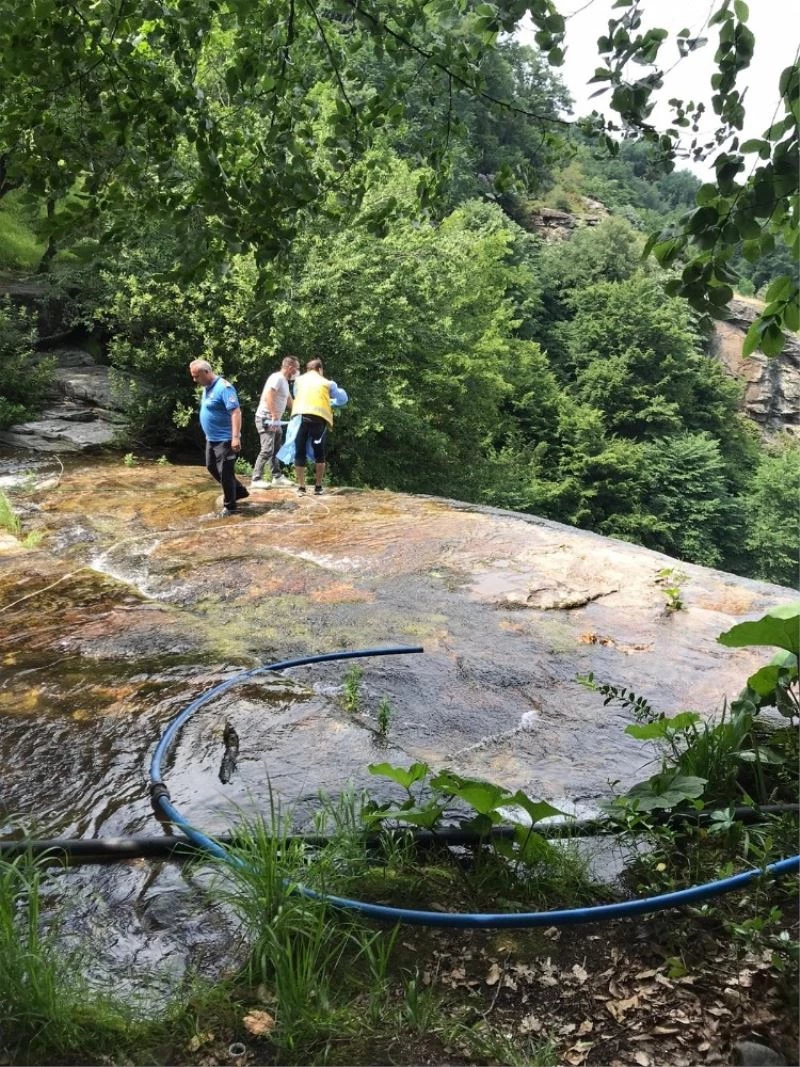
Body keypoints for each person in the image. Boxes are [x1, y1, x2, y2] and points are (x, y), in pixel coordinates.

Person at [189, 359, 249, 517]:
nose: (195, 380)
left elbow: (236, 412)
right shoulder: (206, 387)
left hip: (226, 439)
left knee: (225, 472)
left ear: (206, 372)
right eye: (193, 377)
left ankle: (230, 507)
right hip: (212, 438)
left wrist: (235, 437)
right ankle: (240, 491)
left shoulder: (224, 387)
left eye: (197, 376)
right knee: (211, 467)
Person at [291, 358, 341, 495]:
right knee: (320, 453)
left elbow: (296, 395)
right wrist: (332, 401)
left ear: (307, 370)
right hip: (318, 420)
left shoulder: (298, 380)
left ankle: (301, 487)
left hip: (300, 418)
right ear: (320, 369)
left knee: (299, 452)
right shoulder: (327, 382)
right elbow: (343, 399)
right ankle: (318, 487)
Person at [251, 355, 299, 489]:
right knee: (267, 449)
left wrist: (300, 411)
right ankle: (256, 479)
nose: (297, 372)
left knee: (277, 449)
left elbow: (289, 401)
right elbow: (269, 395)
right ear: (290, 368)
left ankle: (277, 477)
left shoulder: (284, 381)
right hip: (266, 418)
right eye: (297, 369)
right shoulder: (277, 378)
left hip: (274, 420)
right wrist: (273, 417)